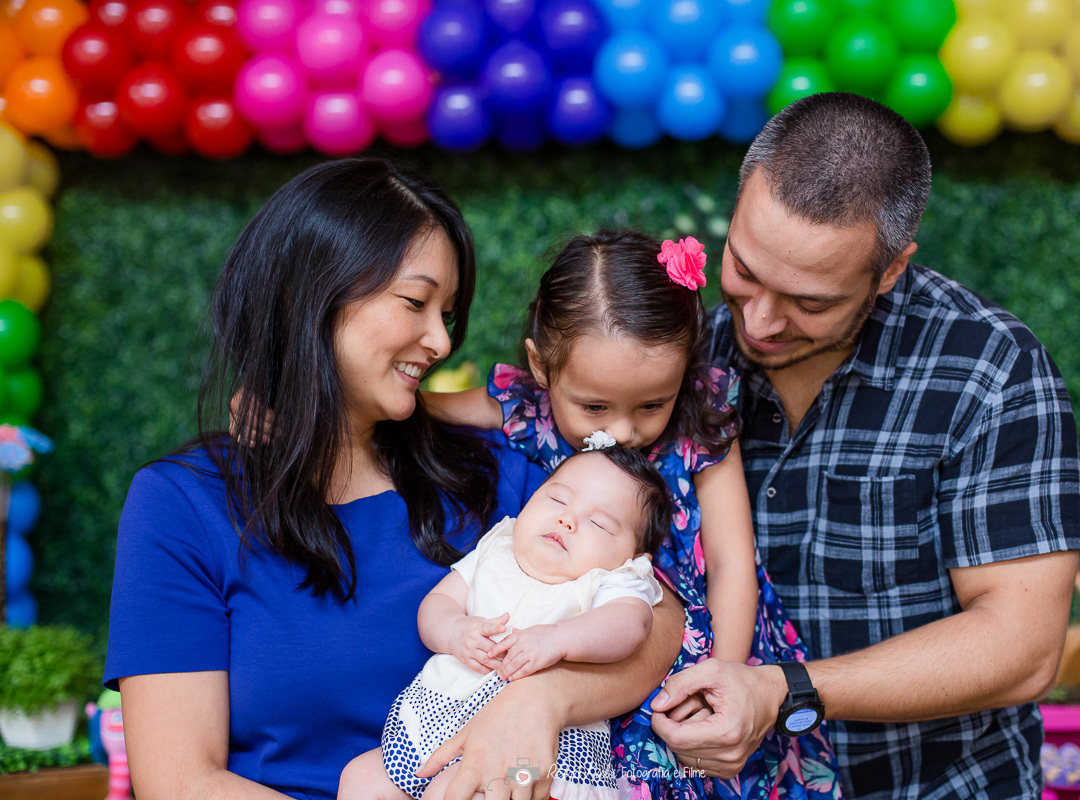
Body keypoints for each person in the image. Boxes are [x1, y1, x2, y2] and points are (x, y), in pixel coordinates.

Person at [103, 158, 684, 800]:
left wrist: (549, 699)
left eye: (448, 312)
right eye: (415, 302)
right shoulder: (183, 503)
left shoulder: (494, 470)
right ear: (311, 294)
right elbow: (180, 780)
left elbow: (657, 618)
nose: (440, 341)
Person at [647, 92, 1080, 799]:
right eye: (745, 271)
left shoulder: (988, 370)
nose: (759, 321)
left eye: (810, 302)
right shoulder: (682, 359)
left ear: (888, 271)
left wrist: (782, 691)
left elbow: (1022, 647)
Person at [423, 229, 840, 800]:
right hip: (582, 661)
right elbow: (414, 409)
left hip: (697, 654)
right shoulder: (527, 406)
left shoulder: (698, 426)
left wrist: (724, 673)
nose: (621, 431)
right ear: (542, 368)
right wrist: (311, 401)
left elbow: (731, 561)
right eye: (594, 405)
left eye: (651, 404)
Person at [339, 442, 672, 800]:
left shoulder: (615, 579)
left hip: (536, 755)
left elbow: (630, 626)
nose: (567, 519)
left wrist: (559, 639)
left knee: (450, 793)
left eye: (598, 523)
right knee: (362, 778)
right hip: (444, 721)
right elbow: (439, 601)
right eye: (557, 500)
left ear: (634, 556)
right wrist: (454, 632)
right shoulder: (497, 547)